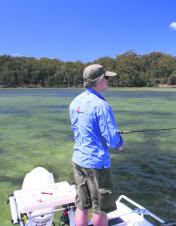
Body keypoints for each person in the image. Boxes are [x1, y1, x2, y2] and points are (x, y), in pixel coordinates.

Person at [69, 64, 124, 226]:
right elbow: (113, 140)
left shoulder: (75, 102)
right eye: (106, 77)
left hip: (78, 160)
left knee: (82, 204)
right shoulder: (102, 106)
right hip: (96, 164)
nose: (108, 80)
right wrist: (120, 143)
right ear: (98, 80)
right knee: (100, 208)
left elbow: (79, 128)